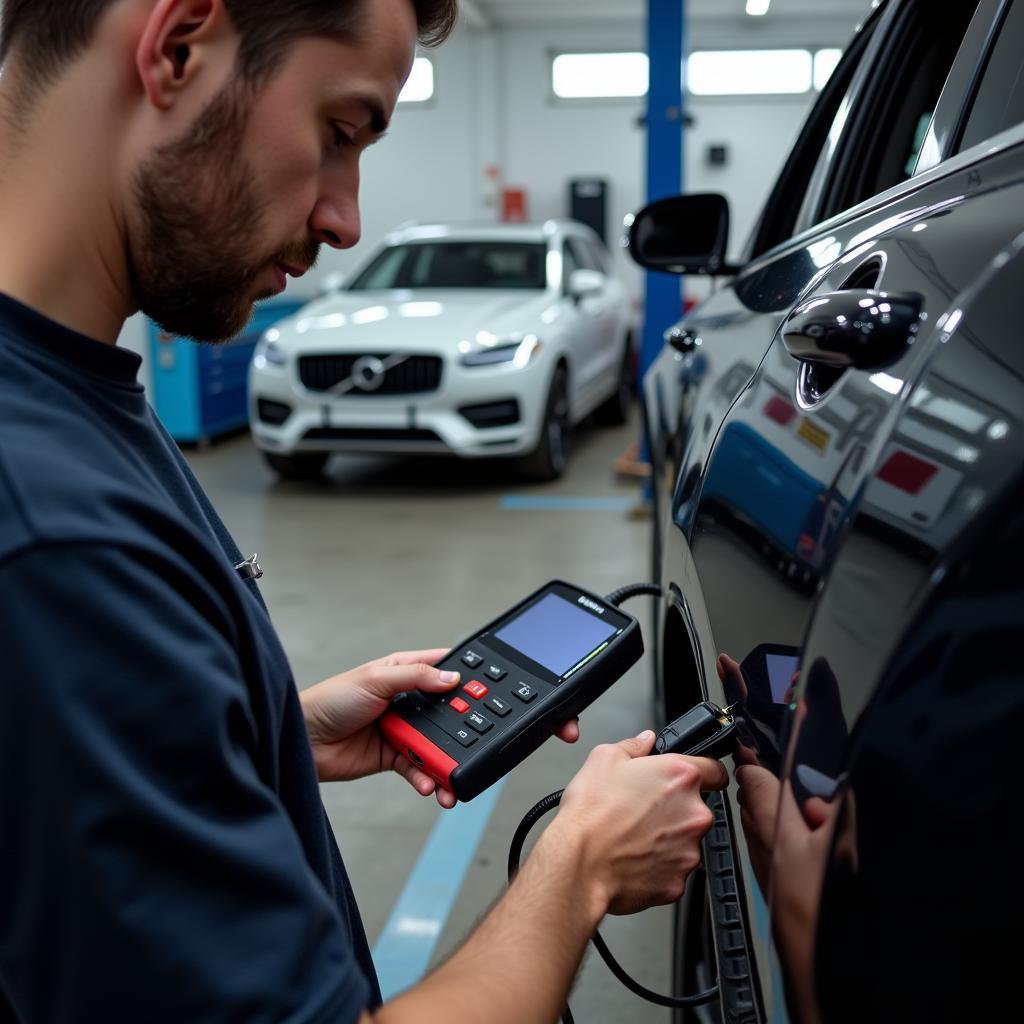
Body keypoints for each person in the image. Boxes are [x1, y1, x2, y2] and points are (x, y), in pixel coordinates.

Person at [0, 1, 728, 1020]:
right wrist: (579, 865)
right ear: (177, 46)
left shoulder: (63, 405)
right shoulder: (56, 535)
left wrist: (266, 732)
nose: (345, 218)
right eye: (340, 133)